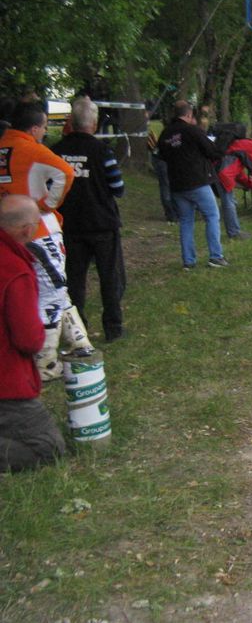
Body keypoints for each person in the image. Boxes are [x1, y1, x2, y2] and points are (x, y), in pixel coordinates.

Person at [0, 101, 93, 379]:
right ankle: (46, 363)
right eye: (42, 128)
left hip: (9, 228)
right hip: (38, 229)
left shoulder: (3, 147)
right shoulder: (31, 149)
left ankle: (79, 340)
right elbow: (65, 171)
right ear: (35, 127)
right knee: (51, 290)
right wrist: (48, 204)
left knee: (52, 287)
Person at [0, 195, 66, 472]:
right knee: (48, 448)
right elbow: (29, 339)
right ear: (28, 230)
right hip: (7, 381)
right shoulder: (16, 271)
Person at [51, 97, 126, 342]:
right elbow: (118, 187)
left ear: (71, 122)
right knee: (110, 277)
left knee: (74, 279)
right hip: (102, 223)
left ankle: (77, 328)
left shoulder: (55, 151)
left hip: (70, 224)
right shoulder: (102, 151)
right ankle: (113, 327)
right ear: (93, 125)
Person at [157, 100, 228, 269]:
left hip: (176, 184)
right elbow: (212, 151)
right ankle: (215, 256)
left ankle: (188, 261)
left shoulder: (165, 134)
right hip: (197, 181)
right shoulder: (192, 131)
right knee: (212, 215)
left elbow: (162, 155)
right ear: (189, 115)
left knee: (186, 221)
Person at [218, 132, 252, 239]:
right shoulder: (251, 146)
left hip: (223, 173)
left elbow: (239, 173)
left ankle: (234, 231)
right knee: (229, 204)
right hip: (224, 174)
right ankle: (234, 233)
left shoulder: (243, 145)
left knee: (230, 203)